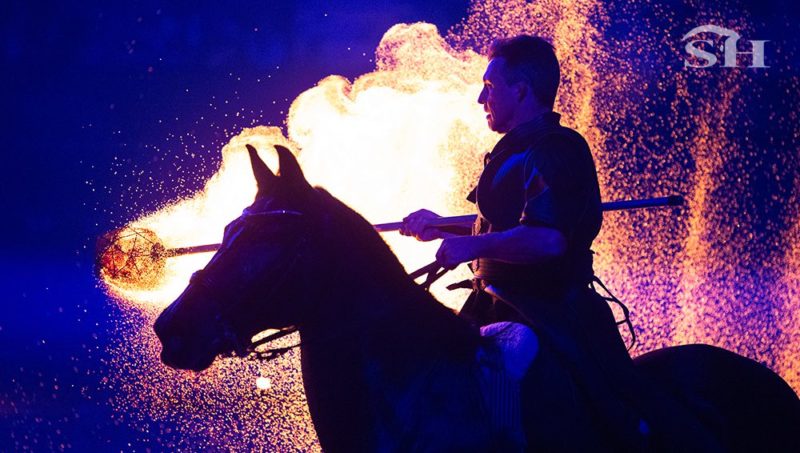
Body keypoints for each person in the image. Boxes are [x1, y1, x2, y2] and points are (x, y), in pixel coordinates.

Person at [400, 36, 723, 451]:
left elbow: (548, 240)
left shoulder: (556, 151)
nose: (482, 97)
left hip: (546, 308)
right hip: (496, 301)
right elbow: (495, 226)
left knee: (521, 370)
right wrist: (441, 226)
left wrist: (472, 248)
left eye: (490, 86)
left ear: (521, 90)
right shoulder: (513, 151)